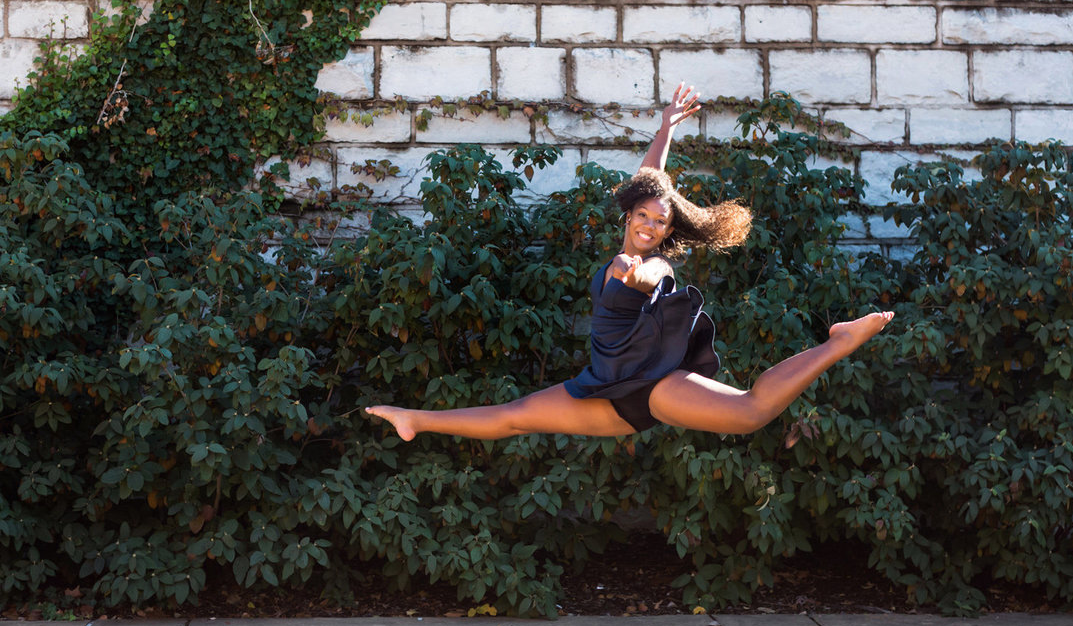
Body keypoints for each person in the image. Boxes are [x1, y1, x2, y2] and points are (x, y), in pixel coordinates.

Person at [367, 83, 893, 442]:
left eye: (660, 222)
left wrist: (631, 271)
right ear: (630, 211)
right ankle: (413, 418)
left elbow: (647, 273)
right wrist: (665, 128)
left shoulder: (655, 265)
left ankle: (838, 342)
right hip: (609, 389)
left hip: (653, 383)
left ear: (669, 232)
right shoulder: (640, 215)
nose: (650, 225)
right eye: (643, 215)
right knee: (513, 418)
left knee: (750, 413)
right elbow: (652, 178)